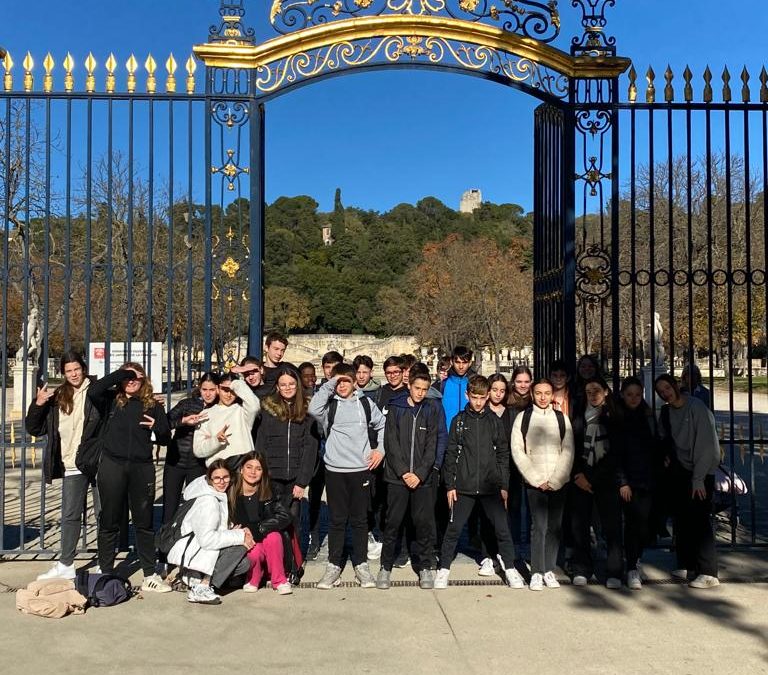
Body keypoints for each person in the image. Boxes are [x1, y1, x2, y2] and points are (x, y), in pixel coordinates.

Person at [434, 375, 525, 590]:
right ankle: (444, 568)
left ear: (487, 397)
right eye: (474, 397)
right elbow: (451, 454)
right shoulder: (459, 421)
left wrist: (503, 485)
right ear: (467, 395)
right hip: (464, 487)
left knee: (502, 529)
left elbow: (503, 454)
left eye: (482, 398)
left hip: (490, 486)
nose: (477, 402)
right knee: (453, 529)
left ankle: (510, 568)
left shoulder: (494, 421)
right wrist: (450, 485)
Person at [88, 362, 172, 593]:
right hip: (112, 465)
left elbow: (166, 437)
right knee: (109, 520)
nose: (132, 381)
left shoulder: (152, 404)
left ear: (144, 380)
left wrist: (158, 426)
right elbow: (93, 390)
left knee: (144, 522)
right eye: (127, 377)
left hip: (141, 467)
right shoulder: (110, 400)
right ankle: (105, 570)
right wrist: (122, 373)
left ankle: (149, 574)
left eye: (137, 377)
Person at [308, 363, 386, 589]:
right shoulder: (328, 406)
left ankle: (361, 565)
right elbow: (313, 409)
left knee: (360, 520)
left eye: (346, 381)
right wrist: (332, 382)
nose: (342, 386)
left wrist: (379, 451)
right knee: (337, 520)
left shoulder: (365, 403)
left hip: (360, 470)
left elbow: (383, 426)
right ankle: (334, 565)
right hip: (334, 471)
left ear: (354, 382)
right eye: (338, 381)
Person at [26, 351, 102, 580]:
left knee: (104, 514)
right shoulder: (59, 395)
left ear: (84, 368)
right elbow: (34, 429)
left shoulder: (99, 391)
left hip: (98, 461)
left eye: (76, 369)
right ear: (63, 373)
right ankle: (66, 563)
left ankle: (104, 562)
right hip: (71, 463)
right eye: (68, 371)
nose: (73, 374)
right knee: (70, 515)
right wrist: (38, 404)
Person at [655, 373, 720, 589]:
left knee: (700, 521)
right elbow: (664, 439)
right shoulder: (666, 412)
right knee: (682, 519)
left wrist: (699, 478)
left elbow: (707, 446)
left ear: (675, 385)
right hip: (679, 471)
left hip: (700, 473)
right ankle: (687, 563)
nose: (665, 393)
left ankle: (708, 571)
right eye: (661, 391)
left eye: (667, 388)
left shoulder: (696, 407)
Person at [377, 372, 439, 590]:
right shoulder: (396, 408)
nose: (420, 393)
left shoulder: (431, 410)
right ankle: (385, 566)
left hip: (422, 480)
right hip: (397, 478)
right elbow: (390, 443)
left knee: (423, 524)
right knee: (393, 523)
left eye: (424, 389)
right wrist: (404, 472)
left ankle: (424, 566)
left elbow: (432, 445)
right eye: (417, 388)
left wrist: (420, 474)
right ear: (409, 386)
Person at [511, 378, 575, 591]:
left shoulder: (561, 418)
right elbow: (518, 450)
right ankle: (536, 570)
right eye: (538, 393)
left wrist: (557, 479)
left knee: (554, 527)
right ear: (532, 394)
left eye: (547, 393)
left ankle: (549, 568)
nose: (543, 397)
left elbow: (568, 450)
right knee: (538, 527)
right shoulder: (524, 417)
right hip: (534, 482)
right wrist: (535, 479)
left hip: (558, 481)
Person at [167, 460, 254, 605]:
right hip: (194, 552)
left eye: (225, 477)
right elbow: (207, 539)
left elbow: (214, 527)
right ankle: (201, 586)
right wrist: (239, 536)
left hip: (199, 551)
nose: (222, 482)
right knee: (240, 547)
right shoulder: (209, 501)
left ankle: (193, 577)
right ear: (210, 479)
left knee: (243, 564)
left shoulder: (215, 495)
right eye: (217, 478)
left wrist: (232, 530)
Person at [569, 376, 624, 589]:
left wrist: (592, 477)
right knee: (579, 526)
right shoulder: (579, 416)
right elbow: (570, 447)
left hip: (605, 478)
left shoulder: (614, 417)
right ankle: (581, 567)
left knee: (611, 528)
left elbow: (616, 452)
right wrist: (578, 475)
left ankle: (614, 571)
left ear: (606, 392)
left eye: (597, 390)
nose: (593, 395)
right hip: (580, 477)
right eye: (589, 391)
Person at [256, 367, 318, 544]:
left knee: (292, 520)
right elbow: (262, 444)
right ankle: (274, 561)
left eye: (291, 384)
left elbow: (309, 448)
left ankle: (293, 563)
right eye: (283, 384)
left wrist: (302, 482)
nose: (288, 388)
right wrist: (262, 475)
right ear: (277, 387)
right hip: (272, 476)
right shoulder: (268, 410)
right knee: (271, 520)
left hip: (294, 477)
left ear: (297, 385)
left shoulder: (307, 410)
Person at [617, 376, 660, 590]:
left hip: (648, 478)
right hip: (628, 479)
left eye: (637, 394)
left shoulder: (649, 415)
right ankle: (632, 566)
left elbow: (657, 443)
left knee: (645, 525)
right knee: (633, 524)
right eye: (629, 394)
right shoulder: (618, 417)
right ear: (623, 395)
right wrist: (622, 481)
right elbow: (615, 452)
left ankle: (636, 559)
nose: (633, 398)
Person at [230, 452, 294, 595]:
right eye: (249, 467)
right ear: (241, 469)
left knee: (274, 537)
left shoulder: (270, 489)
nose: (253, 472)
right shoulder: (231, 492)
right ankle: (254, 578)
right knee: (255, 551)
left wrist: (260, 527)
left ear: (263, 472)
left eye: (258, 469)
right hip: (248, 540)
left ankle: (279, 580)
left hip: (265, 535)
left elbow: (285, 515)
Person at [163, 373, 217, 527]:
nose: (207, 393)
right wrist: (183, 421)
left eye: (212, 390)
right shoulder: (187, 404)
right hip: (176, 460)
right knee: (170, 508)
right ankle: (164, 545)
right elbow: (165, 422)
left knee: (194, 507)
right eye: (204, 389)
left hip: (198, 464)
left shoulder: (219, 408)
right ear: (199, 388)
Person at [306, 351, 344, 560]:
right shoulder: (318, 392)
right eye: (328, 367)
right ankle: (314, 536)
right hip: (319, 450)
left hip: (339, 452)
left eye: (335, 367)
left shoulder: (346, 393)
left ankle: (338, 538)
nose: (331, 371)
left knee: (338, 499)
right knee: (315, 497)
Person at [475, 373, 514, 577]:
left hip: (507, 471)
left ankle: (506, 555)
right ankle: (488, 556)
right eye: (495, 390)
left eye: (502, 390)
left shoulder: (511, 413)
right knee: (487, 517)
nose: (498, 394)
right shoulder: (481, 411)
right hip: (486, 473)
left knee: (505, 518)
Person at [193, 365, 260, 470]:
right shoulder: (206, 413)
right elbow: (198, 450)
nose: (229, 394)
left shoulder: (242, 411)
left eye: (233, 391)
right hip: (219, 472)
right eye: (225, 390)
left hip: (242, 468)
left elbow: (255, 406)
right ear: (218, 389)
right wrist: (216, 440)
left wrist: (236, 383)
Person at [438, 346, 476, 429]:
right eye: (458, 362)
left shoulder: (475, 383)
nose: (461, 366)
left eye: (464, 362)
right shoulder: (442, 384)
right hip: (447, 436)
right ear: (451, 362)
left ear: (470, 363)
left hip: (470, 437)